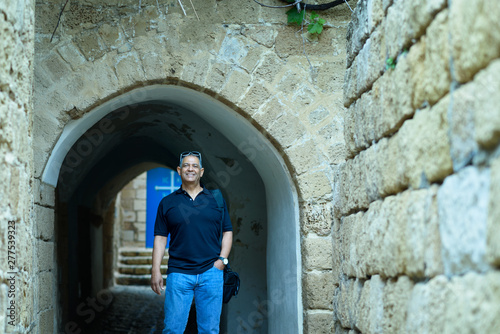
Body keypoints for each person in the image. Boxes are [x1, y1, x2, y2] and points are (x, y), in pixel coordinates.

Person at [151, 151, 233, 334]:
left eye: (195, 166)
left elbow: (227, 231)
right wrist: (155, 269)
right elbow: (160, 237)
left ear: (201, 171)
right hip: (179, 273)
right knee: (173, 329)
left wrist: (222, 261)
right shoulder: (167, 202)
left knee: (210, 330)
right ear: (179, 170)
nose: (190, 169)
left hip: (211, 273)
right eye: (186, 165)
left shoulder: (216, 200)